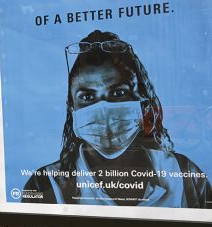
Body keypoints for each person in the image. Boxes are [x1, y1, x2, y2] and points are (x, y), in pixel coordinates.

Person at [23, 30, 212, 208]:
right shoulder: (45, 184)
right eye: (87, 97)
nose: (103, 109)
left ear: (141, 102)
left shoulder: (183, 175)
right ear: (72, 108)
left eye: (118, 93)